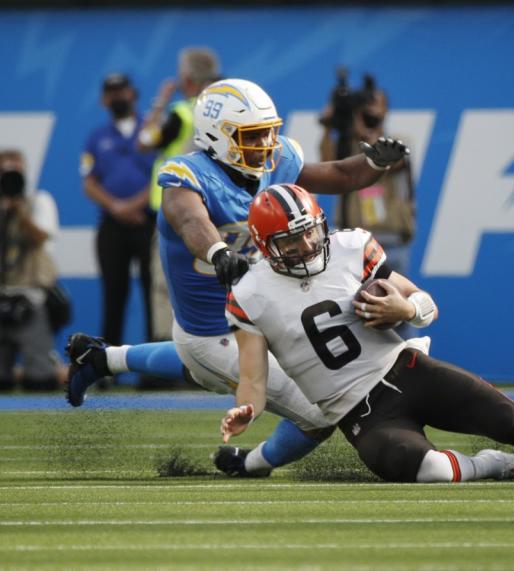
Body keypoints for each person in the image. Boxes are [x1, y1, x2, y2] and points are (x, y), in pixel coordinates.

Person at [65, 78, 412, 478]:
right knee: (319, 411)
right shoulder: (187, 174)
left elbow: (339, 174)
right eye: (252, 135)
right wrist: (218, 252)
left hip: (258, 314)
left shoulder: (276, 160)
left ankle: (102, 358)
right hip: (213, 330)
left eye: (268, 132)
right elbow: (189, 218)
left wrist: (373, 164)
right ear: (217, 136)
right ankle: (249, 462)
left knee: (201, 368)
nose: (266, 143)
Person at [219, 183, 514, 482]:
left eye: (310, 231)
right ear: (265, 244)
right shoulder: (250, 294)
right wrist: (246, 411)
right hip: (358, 415)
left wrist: (403, 307)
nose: (308, 246)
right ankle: (499, 465)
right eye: (291, 241)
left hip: (408, 370)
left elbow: (426, 305)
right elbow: (253, 381)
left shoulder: (349, 247)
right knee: (430, 470)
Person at [138, 47, 221, 349]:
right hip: (213, 208)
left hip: (173, 210)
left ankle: (167, 355)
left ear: (187, 79)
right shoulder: (224, 110)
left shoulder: (182, 111)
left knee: (165, 284)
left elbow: (145, 141)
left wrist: (160, 102)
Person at [80, 73, 156, 349]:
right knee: (114, 294)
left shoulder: (151, 131)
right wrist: (116, 207)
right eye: (112, 93)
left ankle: (155, 366)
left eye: (122, 91)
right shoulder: (97, 137)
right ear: (104, 99)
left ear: (133, 94)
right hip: (111, 224)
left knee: (154, 293)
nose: (118, 98)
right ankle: (106, 364)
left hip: (148, 221)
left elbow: (162, 173)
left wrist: (134, 205)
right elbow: (89, 181)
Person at [320, 75, 416, 277]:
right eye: (363, 107)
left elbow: (392, 161)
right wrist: (330, 126)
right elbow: (326, 162)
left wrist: (367, 132)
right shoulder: (349, 145)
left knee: (391, 301)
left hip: (389, 238)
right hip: (351, 239)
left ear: (385, 109)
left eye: (374, 105)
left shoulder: (398, 141)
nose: (368, 111)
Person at [0, 150, 61, 391]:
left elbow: (39, 237)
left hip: (30, 297)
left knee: (40, 381)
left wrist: (19, 211)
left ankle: (45, 367)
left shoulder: (39, 201)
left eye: (15, 171)